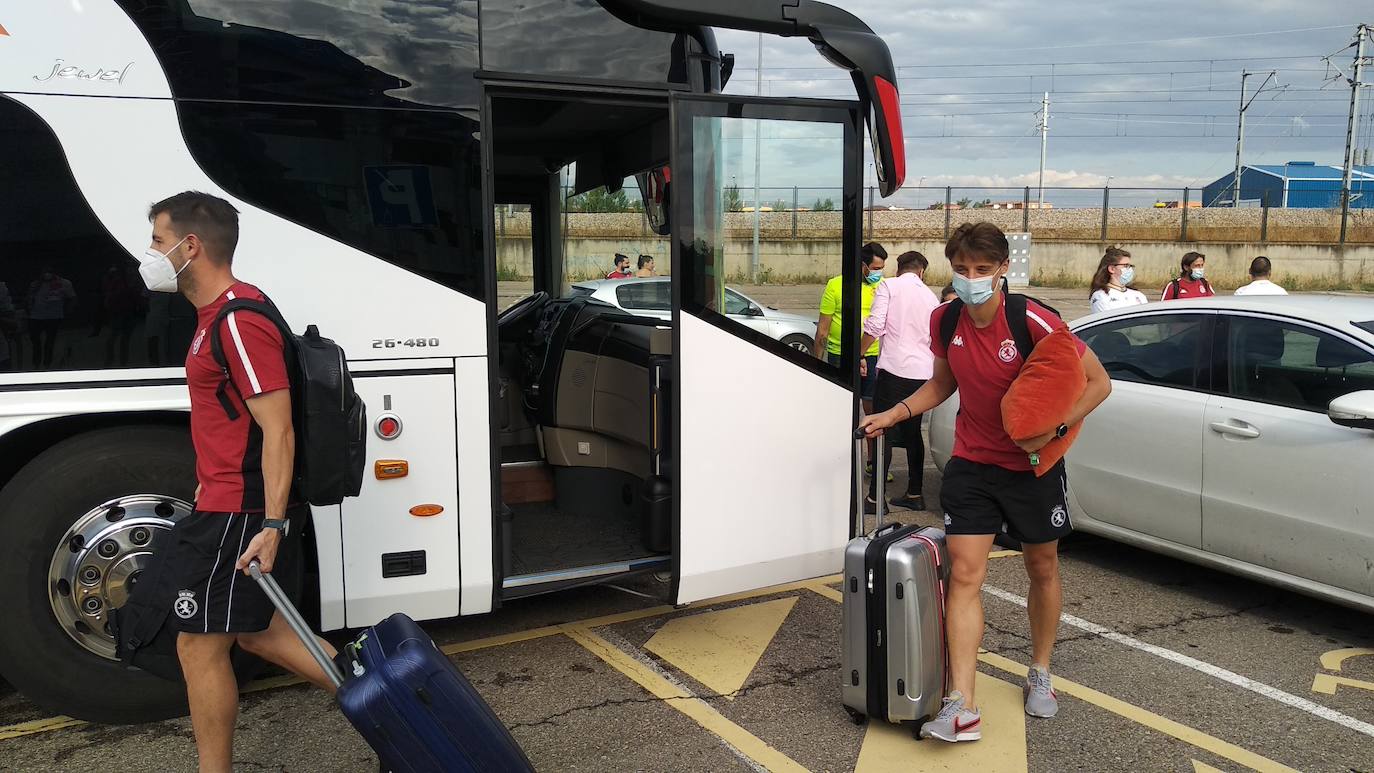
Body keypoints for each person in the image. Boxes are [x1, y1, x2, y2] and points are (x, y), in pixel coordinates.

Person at [860, 222, 1111, 744]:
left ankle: (1040, 670)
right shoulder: (945, 317)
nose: (972, 279)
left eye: (982, 269)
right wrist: (894, 412)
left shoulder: (1033, 319)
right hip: (972, 465)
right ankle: (961, 702)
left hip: (1031, 469)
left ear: (1002, 269)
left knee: (1042, 567)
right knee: (965, 577)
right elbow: (943, 382)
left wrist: (1055, 431)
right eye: (963, 269)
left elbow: (1097, 382)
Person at [140, 191, 338, 773]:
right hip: (225, 502)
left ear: (190, 246)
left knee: (199, 644)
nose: (150, 253)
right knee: (259, 635)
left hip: (243, 512)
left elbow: (277, 430)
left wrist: (273, 524)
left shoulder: (238, 319)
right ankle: (396, 703)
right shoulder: (217, 316)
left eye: (157, 239)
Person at [860, 251, 939, 511]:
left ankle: (875, 498)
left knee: (883, 432)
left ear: (898, 268)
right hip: (922, 375)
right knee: (914, 432)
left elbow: (874, 326)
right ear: (922, 272)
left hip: (893, 371)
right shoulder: (931, 297)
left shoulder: (888, 286)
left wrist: (858, 354)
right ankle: (915, 494)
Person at [817, 243, 887, 479]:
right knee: (840, 409)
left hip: (874, 355)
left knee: (871, 411)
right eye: (876, 268)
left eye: (883, 268)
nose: (880, 273)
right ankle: (837, 459)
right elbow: (823, 330)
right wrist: (817, 363)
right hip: (840, 356)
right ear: (863, 265)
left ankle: (871, 462)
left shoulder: (882, 288)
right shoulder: (836, 285)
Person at [26, 266, 76, 369]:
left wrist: (68, 312)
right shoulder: (35, 284)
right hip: (36, 316)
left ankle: (47, 364)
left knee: (50, 341)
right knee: (35, 341)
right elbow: (29, 298)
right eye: (44, 272)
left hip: (54, 316)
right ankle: (36, 363)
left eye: (49, 272)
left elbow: (72, 297)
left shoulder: (64, 283)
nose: (46, 274)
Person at [1089, 247, 1148, 313]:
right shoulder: (1100, 296)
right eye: (1126, 266)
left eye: (1130, 266)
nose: (1130, 269)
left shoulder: (1139, 295)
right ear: (1112, 269)